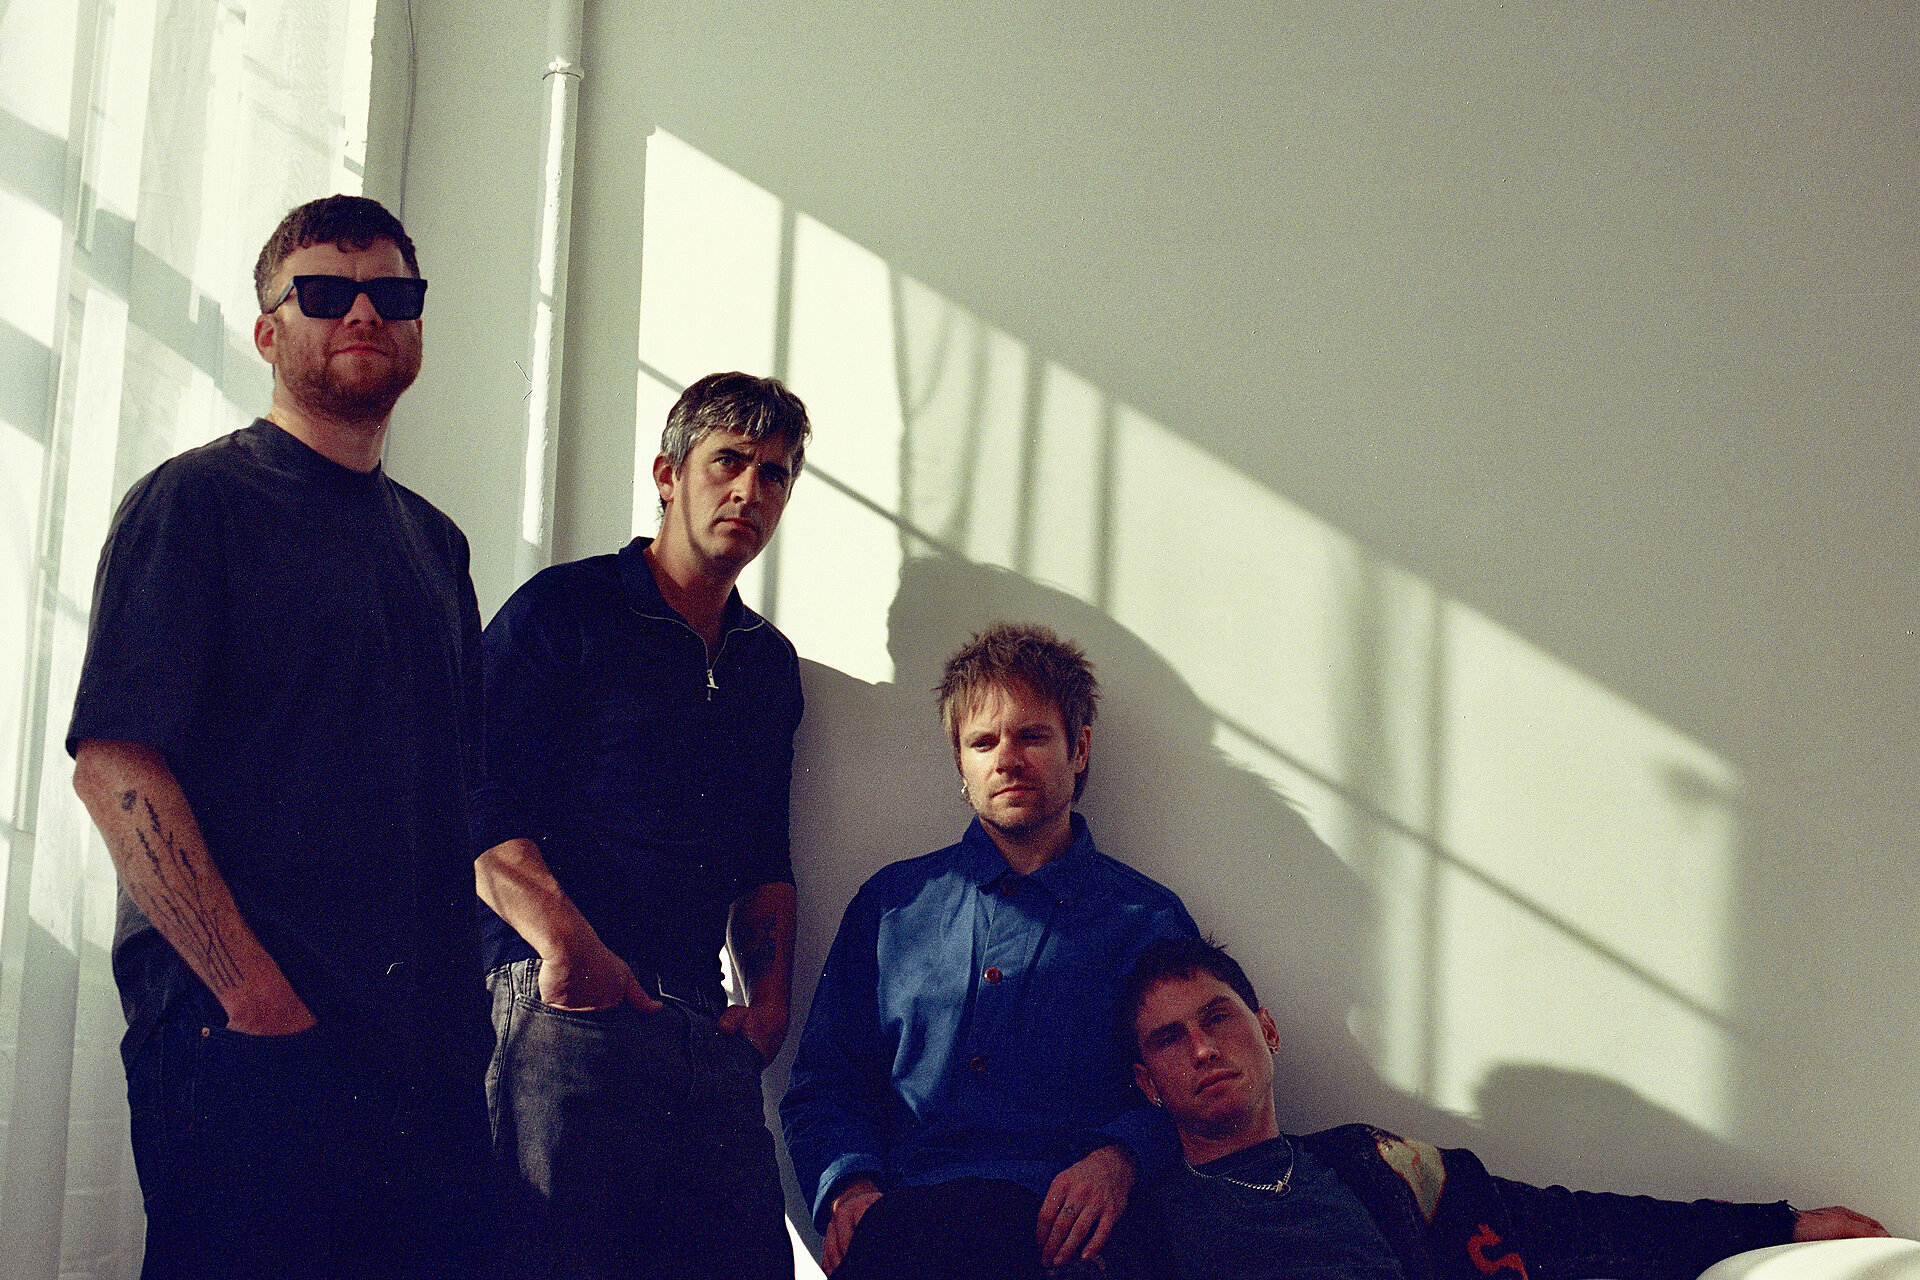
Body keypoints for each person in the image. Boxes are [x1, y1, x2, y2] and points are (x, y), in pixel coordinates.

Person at [68, 194, 494, 1278]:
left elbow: (454, 804)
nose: (364, 311)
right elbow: (115, 764)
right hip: (250, 1047)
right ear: (267, 331)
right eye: (325, 291)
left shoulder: (436, 546)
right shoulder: (195, 502)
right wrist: (253, 998)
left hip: (423, 1069)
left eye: (392, 292)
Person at [472, 371, 811, 1279]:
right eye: (728, 462)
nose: (749, 490)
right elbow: (472, 796)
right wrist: (568, 949)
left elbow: (764, 852)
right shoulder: (565, 609)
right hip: (563, 1009)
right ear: (668, 474)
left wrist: (769, 1005)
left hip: (703, 1025)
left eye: (774, 473)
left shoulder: (767, 664)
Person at [782, 623, 1200, 1279]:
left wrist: (1121, 1159)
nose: (1006, 759)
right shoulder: (891, 907)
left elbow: (1195, 1083)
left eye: (1032, 736)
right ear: (961, 763)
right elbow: (825, 1087)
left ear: (1079, 748)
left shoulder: (1148, 920)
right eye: (983, 742)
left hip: (1072, 1245)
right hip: (909, 1231)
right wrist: (849, 1188)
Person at [1120, 936, 1891, 1280]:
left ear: (1267, 1030)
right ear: (1148, 1083)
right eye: (1170, 1039)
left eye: (1218, 1018)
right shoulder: (1143, 1226)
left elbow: (1575, 1225)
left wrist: (1782, 1224)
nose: (1203, 1049)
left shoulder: (1376, 1167)